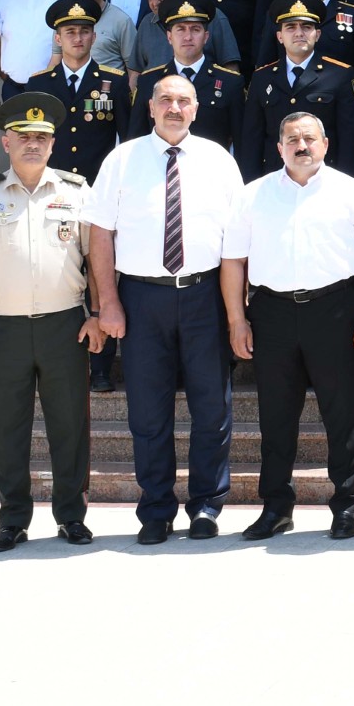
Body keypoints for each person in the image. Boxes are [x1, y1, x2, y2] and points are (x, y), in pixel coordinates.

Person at [85, 71, 245, 543]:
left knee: (211, 408)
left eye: (184, 101)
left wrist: (236, 312)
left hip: (205, 295)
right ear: (151, 107)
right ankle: (155, 509)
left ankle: (206, 505)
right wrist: (107, 302)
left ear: (196, 108)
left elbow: (238, 242)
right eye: (166, 100)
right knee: (148, 411)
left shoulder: (219, 160)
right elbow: (100, 235)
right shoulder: (122, 159)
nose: (175, 109)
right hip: (141, 298)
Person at [0, 93, 102, 551]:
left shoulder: (77, 192)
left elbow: (97, 260)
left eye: (41, 137)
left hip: (65, 325)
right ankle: (13, 519)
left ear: (53, 144)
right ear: (6, 142)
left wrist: (96, 315)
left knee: (70, 428)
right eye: (23, 136)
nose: (33, 144)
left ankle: (71, 516)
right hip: (3, 330)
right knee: (7, 430)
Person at [222, 110, 354, 541]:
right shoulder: (253, 195)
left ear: (325, 144)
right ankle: (276, 508)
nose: (302, 146)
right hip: (271, 313)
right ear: (279, 147)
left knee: (342, 414)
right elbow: (233, 260)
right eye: (293, 139)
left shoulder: (352, 192)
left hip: (335, 310)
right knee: (275, 417)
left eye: (310, 139)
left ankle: (346, 507)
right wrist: (237, 320)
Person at [27, 0, 133, 394]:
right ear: (57, 38)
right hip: (52, 196)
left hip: (98, 198)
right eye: (70, 32)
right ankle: (64, 360)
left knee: (100, 280)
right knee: (56, 275)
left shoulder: (114, 82)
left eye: (84, 31)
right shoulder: (40, 84)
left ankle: (101, 365)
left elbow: (127, 142)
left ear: (94, 37)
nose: (77, 38)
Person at [238, 0, 354, 179]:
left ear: (317, 34)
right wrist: (252, 184)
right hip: (275, 179)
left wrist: (346, 184)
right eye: (290, 27)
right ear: (279, 36)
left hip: (324, 178)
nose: (299, 33)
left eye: (306, 27)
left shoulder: (341, 75)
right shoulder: (262, 78)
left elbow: (350, 140)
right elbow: (252, 139)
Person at [126, 0, 246, 151]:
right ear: (169, 37)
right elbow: (135, 140)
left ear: (206, 37)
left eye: (195, 29)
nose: (188, 37)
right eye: (180, 29)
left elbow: (243, 143)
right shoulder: (148, 81)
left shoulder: (230, 83)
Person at [134, 0, 244, 69]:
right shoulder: (146, 23)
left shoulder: (213, 17)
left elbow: (230, 67)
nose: (154, 3)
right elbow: (135, 70)